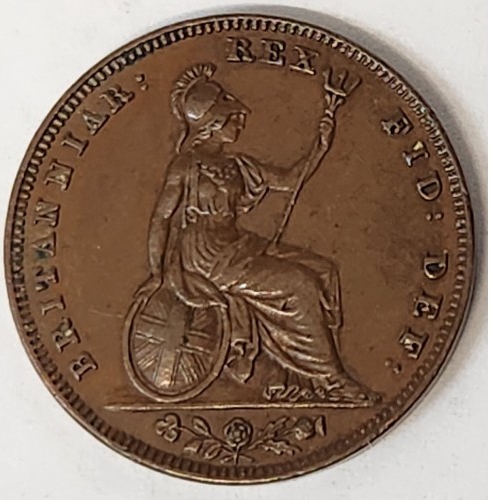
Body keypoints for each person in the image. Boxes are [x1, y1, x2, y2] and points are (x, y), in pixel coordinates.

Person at [138, 63, 376, 403]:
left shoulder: (238, 165)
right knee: (299, 285)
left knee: (323, 271)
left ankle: (294, 376)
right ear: (213, 123)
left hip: (237, 245)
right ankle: (331, 379)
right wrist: (158, 273)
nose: (241, 121)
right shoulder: (186, 165)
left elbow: (290, 181)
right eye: (232, 117)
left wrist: (321, 144)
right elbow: (161, 218)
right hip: (207, 255)